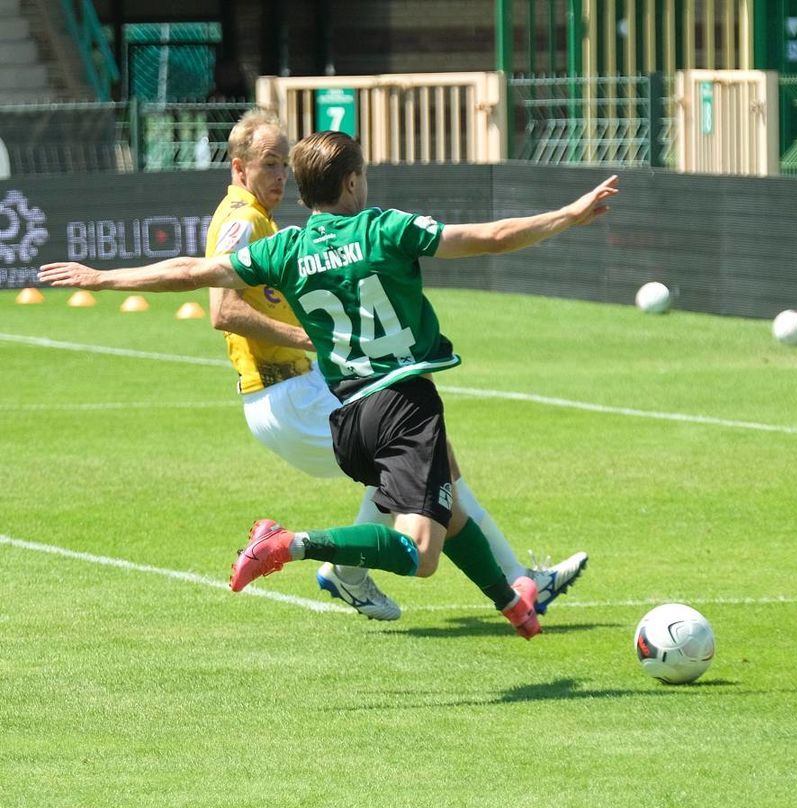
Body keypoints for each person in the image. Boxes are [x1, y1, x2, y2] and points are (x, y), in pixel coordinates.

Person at [40, 132, 620, 639]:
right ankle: (291, 545)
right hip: (402, 402)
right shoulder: (384, 229)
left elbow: (192, 270)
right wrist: (569, 214)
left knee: (448, 505)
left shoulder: (287, 248)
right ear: (349, 184)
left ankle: (514, 602)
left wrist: (103, 277)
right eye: (362, 175)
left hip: (348, 419)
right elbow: (491, 237)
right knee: (421, 555)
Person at [202, 109, 587, 622]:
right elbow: (222, 311)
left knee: (433, 463)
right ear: (238, 168)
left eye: (283, 167)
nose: (278, 177)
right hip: (286, 394)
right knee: (418, 466)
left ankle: (512, 589)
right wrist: (312, 337)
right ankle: (350, 567)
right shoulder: (242, 219)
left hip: (297, 389)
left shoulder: (266, 221)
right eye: (268, 164)